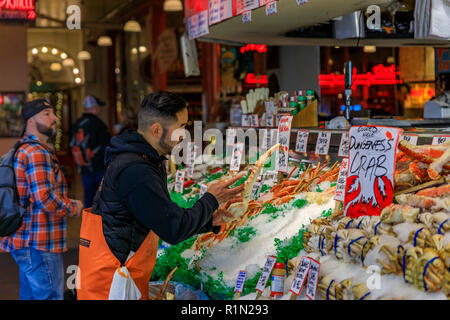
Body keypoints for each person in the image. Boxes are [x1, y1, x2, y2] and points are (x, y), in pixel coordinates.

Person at [77, 91, 245, 300]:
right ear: (156, 129)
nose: (185, 134)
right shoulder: (136, 170)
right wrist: (211, 199)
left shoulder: (141, 158)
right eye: (181, 127)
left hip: (122, 274)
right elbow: (172, 228)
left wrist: (209, 221)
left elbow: (159, 216)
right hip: (112, 285)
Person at [0, 99, 83, 300]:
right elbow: (44, 199)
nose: (54, 118)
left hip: (26, 240)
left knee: (29, 296)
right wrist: (74, 206)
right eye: (46, 113)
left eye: (52, 113)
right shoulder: (36, 152)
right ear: (30, 121)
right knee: (49, 297)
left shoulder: (21, 148)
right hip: (39, 242)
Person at [70, 95, 110, 208]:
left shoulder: (77, 123)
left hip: (84, 167)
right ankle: (100, 222)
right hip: (99, 167)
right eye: (99, 106)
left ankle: (89, 221)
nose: (100, 109)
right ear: (94, 108)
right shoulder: (99, 124)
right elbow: (106, 146)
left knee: (88, 197)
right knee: (102, 197)